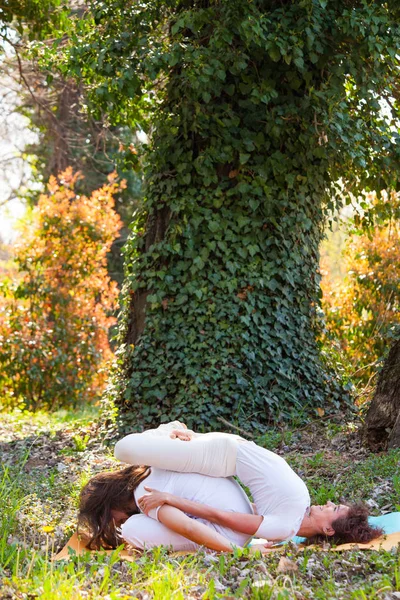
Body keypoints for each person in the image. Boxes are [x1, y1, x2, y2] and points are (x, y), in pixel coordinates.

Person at [115, 421, 382, 546]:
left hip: (228, 451)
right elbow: (223, 516)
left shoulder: (287, 525)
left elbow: (238, 512)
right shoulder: (288, 521)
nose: (330, 503)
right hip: (222, 455)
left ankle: (176, 437)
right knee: (123, 450)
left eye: (335, 510)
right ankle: (167, 429)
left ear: (328, 529)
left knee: (132, 452)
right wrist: (170, 499)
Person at [78, 461, 270, 552]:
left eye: (108, 518)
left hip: (232, 533)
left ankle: (230, 547)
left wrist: (241, 553)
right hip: (241, 519)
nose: (115, 523)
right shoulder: (149, 471)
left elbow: (188, 527)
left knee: (131, 529)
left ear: (110, 503)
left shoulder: (145, 495)